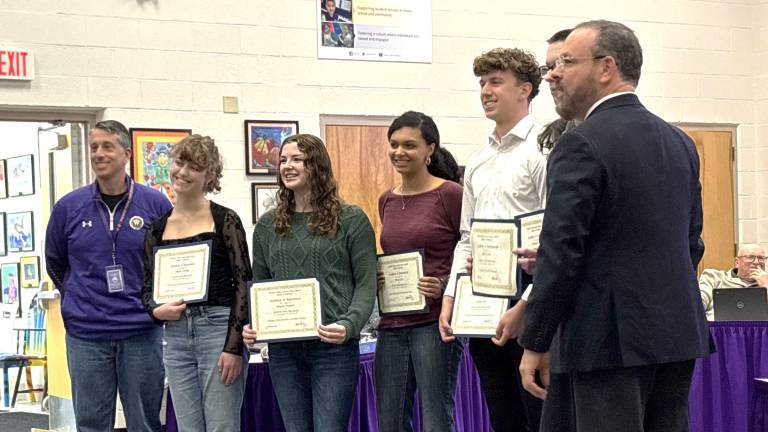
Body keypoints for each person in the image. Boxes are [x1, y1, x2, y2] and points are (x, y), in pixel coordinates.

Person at [518, 20, 712, 432]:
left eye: (567, 61)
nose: (553, 72)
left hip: (607, 341)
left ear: (606, 68)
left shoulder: (580, 143)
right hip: (676, 334)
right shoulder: (679, 142)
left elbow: (563, 252)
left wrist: (536, 340)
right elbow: (691, 243)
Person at [438, 47, 546, 432]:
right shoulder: (478, 161)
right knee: (502, 416)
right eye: (482, 83)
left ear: (525, 90)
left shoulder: (544, 152)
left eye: (496, 82)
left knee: (540, 416)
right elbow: (466, 236)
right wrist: (451, 295)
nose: (486, 90)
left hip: (532, 297)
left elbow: (556, 236)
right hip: (482, 300)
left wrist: (529, 306)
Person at [242, 133, 376, 432]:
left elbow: (367, 284)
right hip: (284, 352)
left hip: (334, 348)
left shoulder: (351, 219)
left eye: (297, 159)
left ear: (317, 165)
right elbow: (260, 285)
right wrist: (255, 324)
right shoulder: (267, 225)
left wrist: (349, 325)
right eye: (283, 160)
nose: (287, 166)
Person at [45, 120, 171, 432]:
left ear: (126, 153)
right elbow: (55, 262)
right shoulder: (69, 207)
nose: (99, 154)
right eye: (93, 147)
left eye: (107, 146)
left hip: (141, 330)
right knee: (90, 424)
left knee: (145, 423)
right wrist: (79, 296)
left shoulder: (155, 204)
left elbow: (167, 261)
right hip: (86, 333)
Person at [141, 135, 252, 431]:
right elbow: (147, 289)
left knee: (222, 426)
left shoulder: (225, 220)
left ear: (210, 176)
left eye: (195, 166)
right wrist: (155, 311)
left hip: (217, 331)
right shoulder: (157, 228)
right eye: (179, 162)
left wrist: (234, 346)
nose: (183, 172)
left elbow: (243, 284)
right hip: (175, 337)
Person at [375, 111, 463, 432]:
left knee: (436, 420)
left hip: (434, 323)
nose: (399, 152)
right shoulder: (386, 200)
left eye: (410, 145)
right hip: (392, 322)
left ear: (430, 150)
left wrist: (443, 285)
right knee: (390, 421)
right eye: (394, 144)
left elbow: (469, 252)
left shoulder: (450, 194)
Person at [699, 243, 768, 320]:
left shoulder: (766, 283)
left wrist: (766, 286)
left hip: (760, 330)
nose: (756, 262)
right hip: (718, 329)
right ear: (737, 262)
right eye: (750, 257)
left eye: (761, 258)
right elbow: (697, 303)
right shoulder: (714, 277)